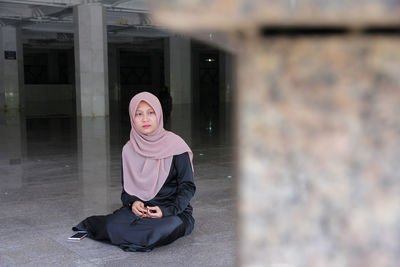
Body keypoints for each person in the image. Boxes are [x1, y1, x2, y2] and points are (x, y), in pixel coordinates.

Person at [72, 92, 196, 252]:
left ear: (159, 114)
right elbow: (127, 192)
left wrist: (166, 211)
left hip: (173, 212)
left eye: (150, 112)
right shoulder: (129, 150)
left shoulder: (176, 146)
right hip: (140, 211)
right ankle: (127, 232)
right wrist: (133, 203)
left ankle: (130, 233)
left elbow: (187, 187)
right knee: (113, 225)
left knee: (158, 231)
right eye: (139, 114)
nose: (145, 119)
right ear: (132, 118)